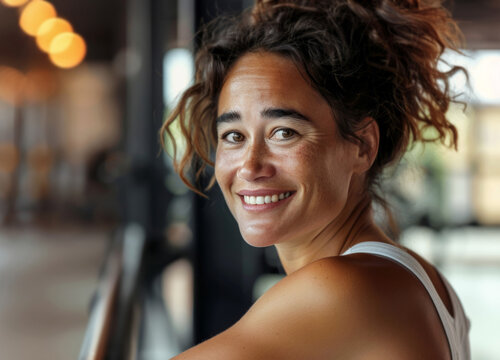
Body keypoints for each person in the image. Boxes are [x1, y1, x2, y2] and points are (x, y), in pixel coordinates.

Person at [161, 0, 471, 358]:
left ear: (362, 146)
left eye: (283, 132)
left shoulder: (342, 289)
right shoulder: (424, 279)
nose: (249, 166)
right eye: (234, 136)